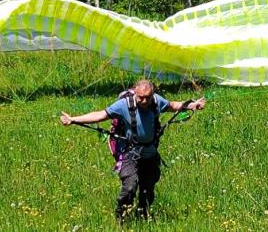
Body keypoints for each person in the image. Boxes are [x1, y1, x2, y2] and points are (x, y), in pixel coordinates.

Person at [59, 79, 206, 222]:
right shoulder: (124, 105)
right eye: (140, 97)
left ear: (152, 94)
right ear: (135, 93)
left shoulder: (156, 101)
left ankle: (143, 215)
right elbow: (100, 115)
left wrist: (192, 104)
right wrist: (73, 119)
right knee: (130, 187)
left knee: (147, 189)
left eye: (147, 97)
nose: (144, 101)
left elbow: (173, 105)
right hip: (130, 154)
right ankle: (121, 217)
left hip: (150, 154)